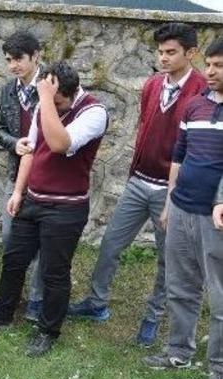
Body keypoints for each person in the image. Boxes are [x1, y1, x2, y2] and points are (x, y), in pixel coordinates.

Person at [70, 23, 205, 347]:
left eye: (171, 52)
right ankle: (96, 303)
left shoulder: (202, 90)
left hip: (171, 191)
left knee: (166, 260)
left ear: (190, 53)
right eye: (160, 52)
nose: (163, 58)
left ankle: (152, 318)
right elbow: (145, 125)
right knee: (111, 245)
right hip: (138, 182)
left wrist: (179, 192)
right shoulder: (152, 85)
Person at [0, 62, 108, 357]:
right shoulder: (45, 105)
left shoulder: (94, 113)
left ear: (69, 94)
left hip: (66, 206)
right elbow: (31, 150)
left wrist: (46, 98)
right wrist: (19, 192)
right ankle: (1, 315)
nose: (50, 105)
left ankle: (48, 330)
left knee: (54, 272)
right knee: (13, 260)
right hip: (34, 198)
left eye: (56, 100)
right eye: (47, 98)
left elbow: (60, 143)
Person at [143, 38, 223, 379]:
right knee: (180, 286)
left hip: (216, 218)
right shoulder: (195, 106)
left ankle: (220, 375)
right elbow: (180, 154)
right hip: (183, 209)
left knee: (220, 299)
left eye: (219, 65)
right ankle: (178, 351)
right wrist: (170, 202)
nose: (211, 71)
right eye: (209, 64)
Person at [0, 31, 45, 322]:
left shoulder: (52, 86)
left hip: (46, 178)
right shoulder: (7, 91)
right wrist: (14, 142)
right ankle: (12, 296)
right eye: (9, 60)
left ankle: (37, 300)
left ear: (35, 55)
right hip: (16, 175)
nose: (13, 66)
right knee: (10, 237)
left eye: (18, 59)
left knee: (42, 244)